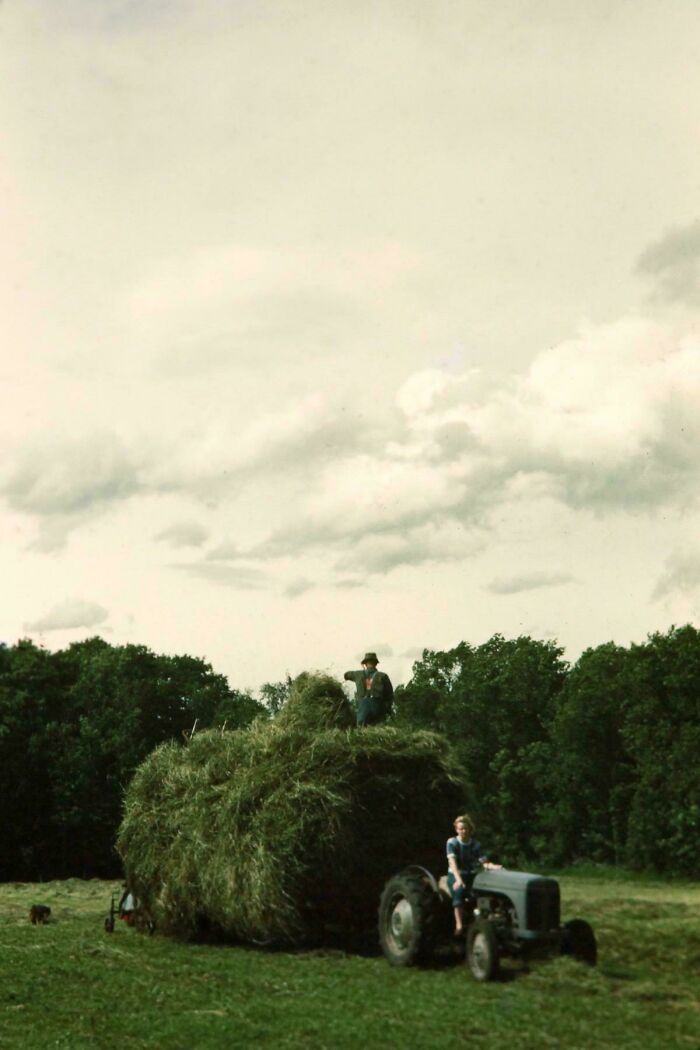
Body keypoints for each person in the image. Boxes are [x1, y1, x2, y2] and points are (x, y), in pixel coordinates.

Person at [446, 814, 502, 936]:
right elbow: (452, 862)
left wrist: (493, 866)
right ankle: (459, 925)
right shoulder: (452, 843)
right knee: (459, 892)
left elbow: (483, 861)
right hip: (455, 875)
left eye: (465, 828)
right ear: (457, 829)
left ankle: (480, 922)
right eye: (461, 829)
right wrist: (458, 879)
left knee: (479, 893)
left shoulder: (475, 844)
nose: (463, 831)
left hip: (471, 875)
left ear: (469, 829)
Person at [344, 652, 394, 726]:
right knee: (380, 730)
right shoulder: (383, 676)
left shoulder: (357, 674)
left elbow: (346, 675)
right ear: (376, 664)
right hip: (378, 706)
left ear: (365, 664)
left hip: (363, 707)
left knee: (361, 732)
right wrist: (387, 709)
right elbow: (390, 695)